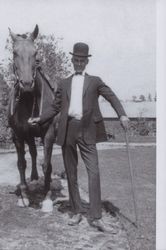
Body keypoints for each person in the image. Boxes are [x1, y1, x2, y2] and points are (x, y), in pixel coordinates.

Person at [29, 42, 129, 233]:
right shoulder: (64, 83)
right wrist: (40, 119)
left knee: (94, 172)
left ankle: (97, 217)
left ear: (86, 62)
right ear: (72, 60)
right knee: (71, 173)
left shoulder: (95, 81)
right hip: (68, 130)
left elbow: (112, 96)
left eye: (82, 60)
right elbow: (55, 107)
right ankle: (76, 212)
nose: (79, 63)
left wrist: (122, 114)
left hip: (88, 130)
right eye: (76, 60)